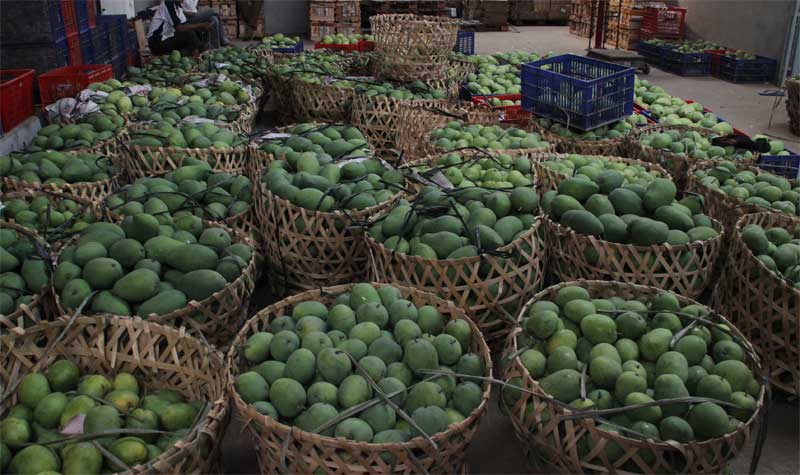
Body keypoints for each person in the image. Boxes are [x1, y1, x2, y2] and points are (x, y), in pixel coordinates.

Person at [147, 0, 211, 56]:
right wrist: (200, 25)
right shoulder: (168, 3)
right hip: (156, 42)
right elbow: (179, 28)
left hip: (167, 37)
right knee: (189, 33)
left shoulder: (178, 7)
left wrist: (200, 28)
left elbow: (185, 25)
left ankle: (198, 53)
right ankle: (196, 57)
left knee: (196, 32)